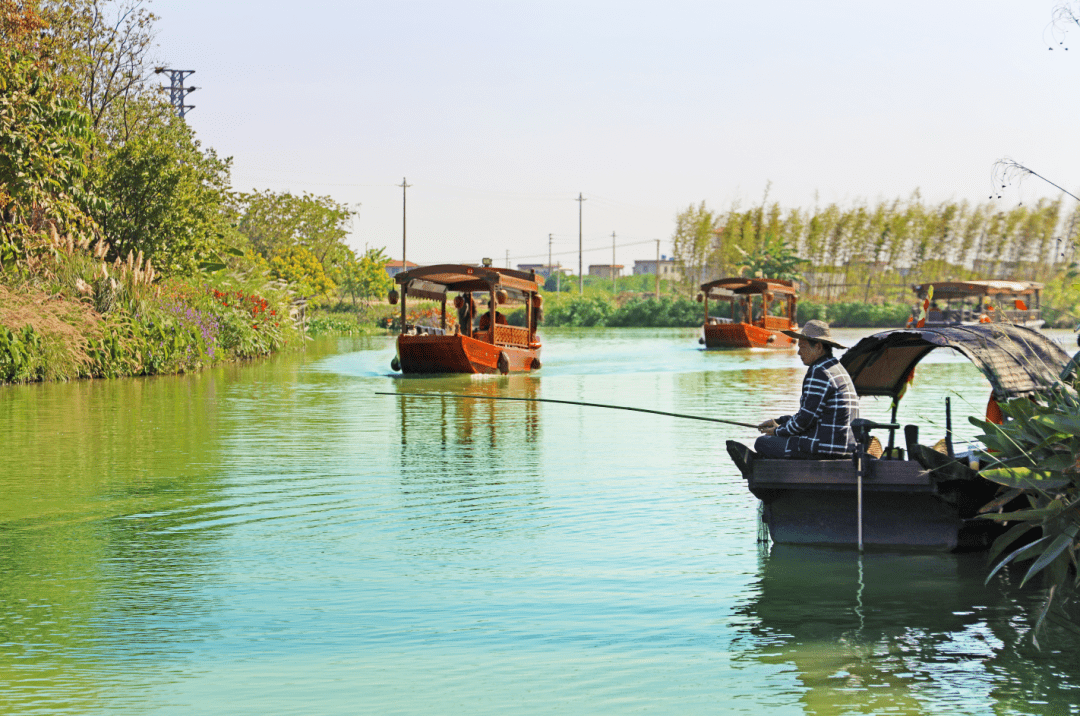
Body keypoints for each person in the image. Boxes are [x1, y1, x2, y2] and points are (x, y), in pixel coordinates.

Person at [741, 320, 859, 463]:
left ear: (818, 347)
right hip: (843, 447)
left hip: (824, 449)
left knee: (763, 442)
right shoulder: (836, 368)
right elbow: (811, 415)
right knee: (777, 439)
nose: (798, 352)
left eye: (802, 346)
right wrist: (780, 421)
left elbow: (805, 420)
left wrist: (778, 431)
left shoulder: (820, 371)